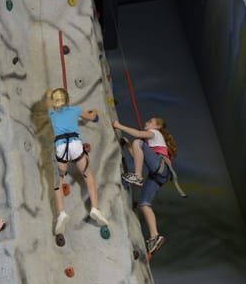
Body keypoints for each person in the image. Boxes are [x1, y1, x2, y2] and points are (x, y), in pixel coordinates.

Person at [46, 88, 108, 235]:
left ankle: (61, 213)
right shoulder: (75, 110)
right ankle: (95, 209)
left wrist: (49, 94)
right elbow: (91, 117)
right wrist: (94, 112)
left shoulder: (52, 112)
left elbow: (48, 101)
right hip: (75, 145)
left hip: (61, 147)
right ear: (68, 100)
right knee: (88, 176)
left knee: (59, 182)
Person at [113, 116, 177, 254]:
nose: (146, 123)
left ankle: (137, 177)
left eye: (150, 121)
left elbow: (137, 135)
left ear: (158, 126)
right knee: (144, 204)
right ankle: (154, 236)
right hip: (158, 175)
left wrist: (120, 126)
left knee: (138, 142)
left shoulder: (155, 133)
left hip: (160, 168)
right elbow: (137, 156)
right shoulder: (150, 143)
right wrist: (129, 145)